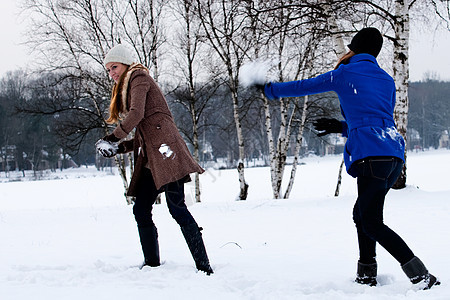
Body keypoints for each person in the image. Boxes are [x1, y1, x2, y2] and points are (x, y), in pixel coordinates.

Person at [262, 28, 439, 289]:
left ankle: (422, 276)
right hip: (392, 158)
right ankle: (367, 273)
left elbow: (304, 86)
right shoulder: (387, 80)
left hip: (371, 156)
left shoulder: (345, 73)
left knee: (372, 222)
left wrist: (270, 90)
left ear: (354, 47)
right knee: (363, 215)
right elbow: (379, 121)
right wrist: (340, 127)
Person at [96, 44, 213, 275]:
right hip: (152, 160)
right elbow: (141, 137)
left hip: (167, 155)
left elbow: (136, 114)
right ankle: (151, 265)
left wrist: (112, 138)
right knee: (141, 209)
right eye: (108, 70)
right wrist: (116, 148)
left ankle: (204, 267)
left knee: (177, 209)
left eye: (114, 67)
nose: (112, 73)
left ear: (126, 64)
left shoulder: (139, 77)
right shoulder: (129, 87)